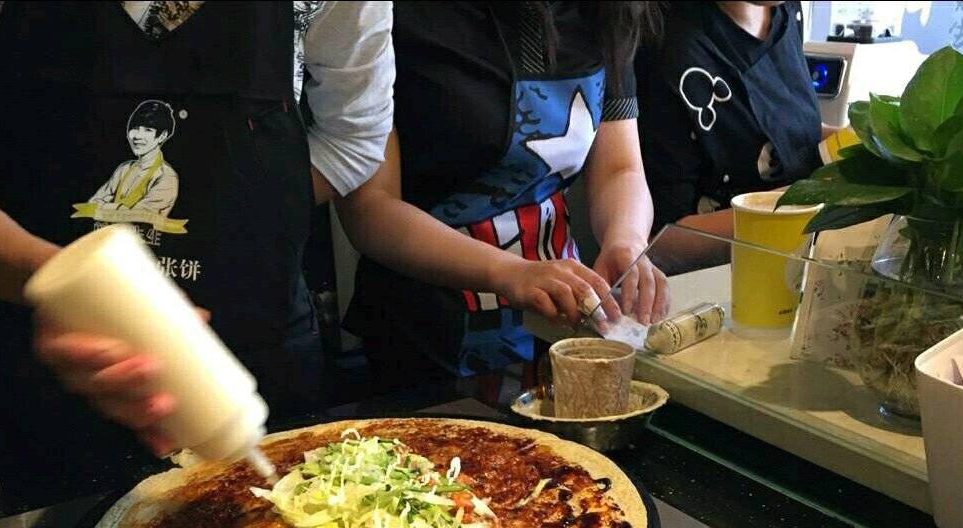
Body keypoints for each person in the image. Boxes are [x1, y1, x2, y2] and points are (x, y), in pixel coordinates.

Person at [0, 1, 394, 461]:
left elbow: (354, 137)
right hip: (45, 356)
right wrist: (79, 287)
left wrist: (238, 216)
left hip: (262, 341)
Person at [336, 1, 667, 381]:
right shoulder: (391, 17)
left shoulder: (607, 12)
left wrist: (625, 239)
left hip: (566, 313)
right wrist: (511, 272)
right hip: (427, 328)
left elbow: (619, 168)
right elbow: (369, 207)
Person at [636, 0, 834, 236]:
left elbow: (794, 130)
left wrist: (867, 144)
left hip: (805, 246)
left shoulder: (786, 11)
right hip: (724, 267)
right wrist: (811, 199)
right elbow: (662, 236)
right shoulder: (666, 48)